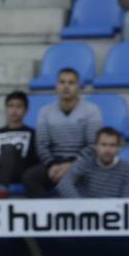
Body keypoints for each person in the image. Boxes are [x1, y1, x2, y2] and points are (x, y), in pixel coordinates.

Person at [22, 68, 103, 198]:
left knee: (80, 178)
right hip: (54, 162)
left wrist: (71, 166)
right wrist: (52, 165)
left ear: (78, 86)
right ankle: (45, 214)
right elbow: (41, 145)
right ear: (56, 86)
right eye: (62, 82)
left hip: (81, 162)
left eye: (71, 83)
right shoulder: (45, 111)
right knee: (30, 176)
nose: (66, 86)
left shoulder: (91, 111)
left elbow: (93, 145)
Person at [57, 127, 129, 198]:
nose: (107, 150)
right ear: (96, 146)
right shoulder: (85, 162)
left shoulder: (127, 170)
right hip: (86, 212)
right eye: (103, 145)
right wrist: (80, 204)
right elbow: (64, 184)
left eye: (112, 145)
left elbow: (128, 201)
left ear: (118, 148)